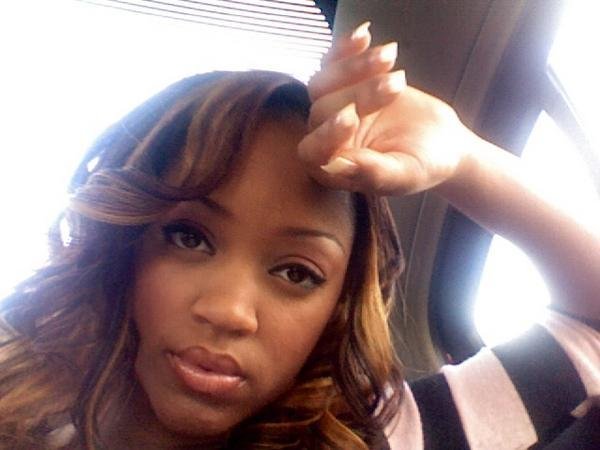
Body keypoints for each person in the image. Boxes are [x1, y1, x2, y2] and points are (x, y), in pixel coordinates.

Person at [0, 22, 598, 450]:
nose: (229, 312)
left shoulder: (385, 436)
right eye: (188, 237)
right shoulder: (19, 402)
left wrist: (463, 156)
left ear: (337, 306)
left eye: (296, 272)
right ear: (121, 241)